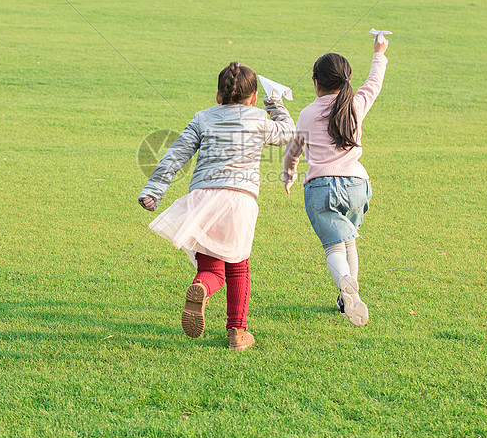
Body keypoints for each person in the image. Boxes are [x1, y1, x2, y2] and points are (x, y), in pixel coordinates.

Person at [139, 61, 296, 350]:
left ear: (218, 96)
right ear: (252, 98)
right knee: (238, 266)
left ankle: (202, 286)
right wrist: (275, 103)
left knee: (212, 267)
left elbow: (176, 155)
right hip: (239, 201)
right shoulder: (259, 119)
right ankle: (238, 331)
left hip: (203, 200)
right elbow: (288, 132)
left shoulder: (202, 118)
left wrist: (154, 189)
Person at [282, 36, 389, 326]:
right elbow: (374, 83)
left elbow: (294, 151)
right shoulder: (355, 105)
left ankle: (344, 282)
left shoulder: (307, 113)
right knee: (349, 240)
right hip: (357, 187)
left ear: (316, 82)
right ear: (345, 82)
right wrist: (379, 52)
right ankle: (347, 302)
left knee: (333, 247)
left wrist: (289, 174)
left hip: (322, 189)